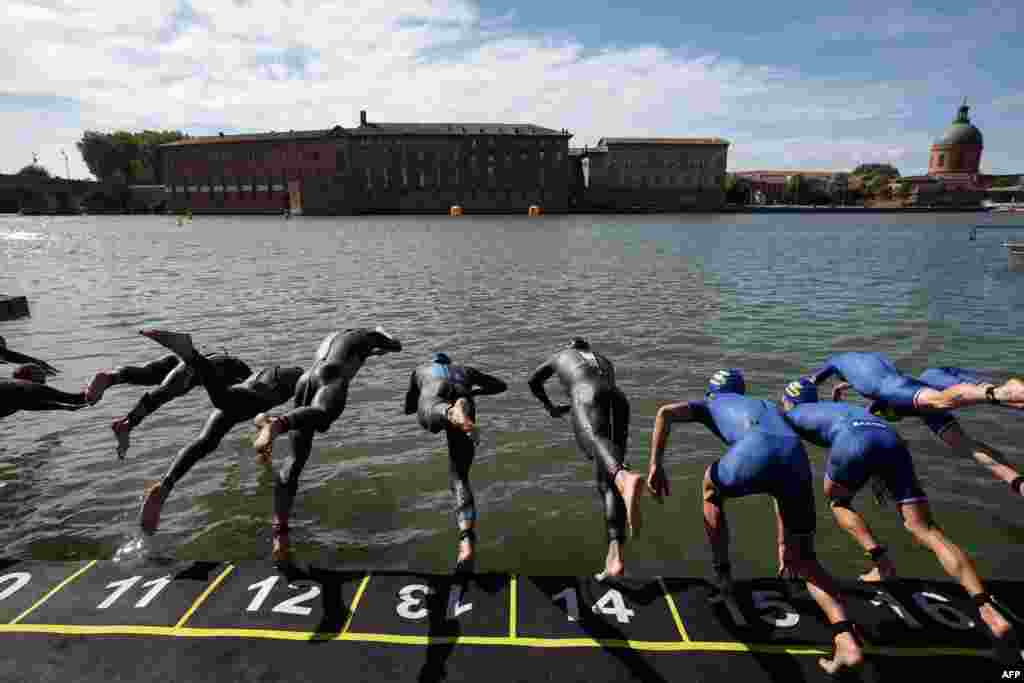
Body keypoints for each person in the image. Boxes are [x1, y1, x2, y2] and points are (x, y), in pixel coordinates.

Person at [646, 369, 863, 675]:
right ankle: (845, 638)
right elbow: (782, 466)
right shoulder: (767, 406)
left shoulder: (708, 404)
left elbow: (665, 412)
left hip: (754, 448)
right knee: (804, 560)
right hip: (794, 457)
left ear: (711, 393)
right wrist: (782, 544)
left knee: (710, 489)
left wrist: (656, 463)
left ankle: (723, 577)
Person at [779, 377, 1013, 642]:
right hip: (890, 438)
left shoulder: (791, 415)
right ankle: (984, 605)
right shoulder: (832, 409)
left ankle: (882, 564)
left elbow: (786, 451)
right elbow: (854, 429)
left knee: (839, 502)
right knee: (926, 529)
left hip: (853, 441)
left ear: (787, 402)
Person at [250, 327, 402, 563]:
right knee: (322, 414)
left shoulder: (336, 337)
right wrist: (383, 334)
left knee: (295, 460)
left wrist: (370, 352)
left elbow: (344, 355)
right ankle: (276, 424)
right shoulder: (369, 335)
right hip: (332, 376)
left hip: (306, 380)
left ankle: (280, 532)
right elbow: (397, 345)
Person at [134, 329, 303, 537]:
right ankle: (190, 353)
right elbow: (293, 417)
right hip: (267, 388)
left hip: (252, 390)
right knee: (223, 399)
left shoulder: (256, 402)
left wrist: (265, 448)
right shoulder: (296, 381)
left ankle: (165, 486)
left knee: (206, 441)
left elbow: (262, 420)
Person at [813, 353, 1024, 497]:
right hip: (924, 406)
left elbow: (813, 384)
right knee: (965, 446)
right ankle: (1018, 483)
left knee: (1003, 398)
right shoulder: (868, 373)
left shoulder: (876, 391)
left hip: (931, 381)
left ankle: (1003, 391)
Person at [527, 337, 646, 581]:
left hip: (586, 394)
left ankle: (624, 476)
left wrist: (549, 406)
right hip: (619, 399)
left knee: (595, 443)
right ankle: (615, 559)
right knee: (607, 484)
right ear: (588, 348)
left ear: (571, 348)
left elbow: (533, 380)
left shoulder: (561, 355)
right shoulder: (604, 360)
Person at [404, 352, 507, 572]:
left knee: (429, 417)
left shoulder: (421, 369)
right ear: (450, 363)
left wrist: (420, 401)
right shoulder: (465, 370)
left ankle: (449, 412)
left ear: (433, 362)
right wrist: (473, 391)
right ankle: (466, 541)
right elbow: (500, 385)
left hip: (436, 393)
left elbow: (410, 406)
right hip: (465, 395)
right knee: (460, 477)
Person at [85, 352, 253, 458]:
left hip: (183, 357)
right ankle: (128, 424)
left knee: (147, 375)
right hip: (197, 367)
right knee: (168, 392)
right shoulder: (248, 386)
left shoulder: (249, 377)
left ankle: (110, 378)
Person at [809, 351, 1024, 412]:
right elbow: (887, 382)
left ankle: (1002, 393)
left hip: (891, 390)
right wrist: (843, 387)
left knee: (942, 401)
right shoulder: (869, 358)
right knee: (943, 398)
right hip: (900, 382)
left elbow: (809, 383)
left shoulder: (833, 362)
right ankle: (1013, 401)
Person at [0, 364, 90, 419]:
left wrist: (61, 407)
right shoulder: (24, 387)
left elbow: (25, 403)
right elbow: (77, 399)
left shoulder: (10, 389)